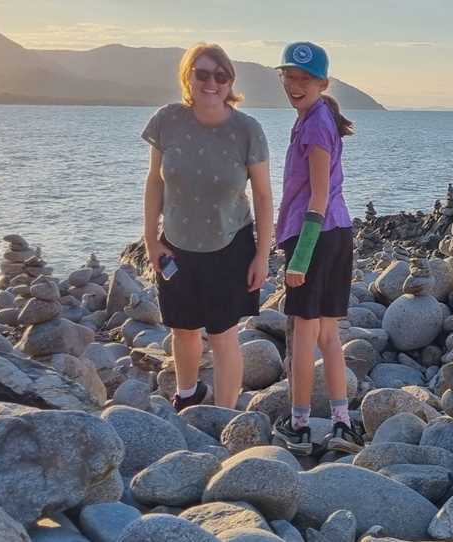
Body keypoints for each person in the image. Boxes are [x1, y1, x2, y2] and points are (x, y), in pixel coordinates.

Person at [141, 43, 273, 411]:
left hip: (230, 246)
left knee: (223, 334)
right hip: (176, 245)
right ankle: (188, 395)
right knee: (182, 329)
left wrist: (262, 254)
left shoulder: (247, 130)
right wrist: (151, 240)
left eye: (221, 76)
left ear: (230, 82)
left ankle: (224, 415)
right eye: (202, 74)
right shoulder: (166, 121)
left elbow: (262, 196)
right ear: (188, 77)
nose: (211, 82)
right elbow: (155, 182)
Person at [271, 42, 362, 455]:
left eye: (304, 78)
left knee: (305, 334)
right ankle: (343, 422)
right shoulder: (318, 116)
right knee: (327, 333)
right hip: (337, 234)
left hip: (316, 236)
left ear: (322, 83)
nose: (294, 84)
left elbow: (318, 196)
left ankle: (299, 425)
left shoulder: (314, 125)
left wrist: (301, 256)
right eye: (289, 76)